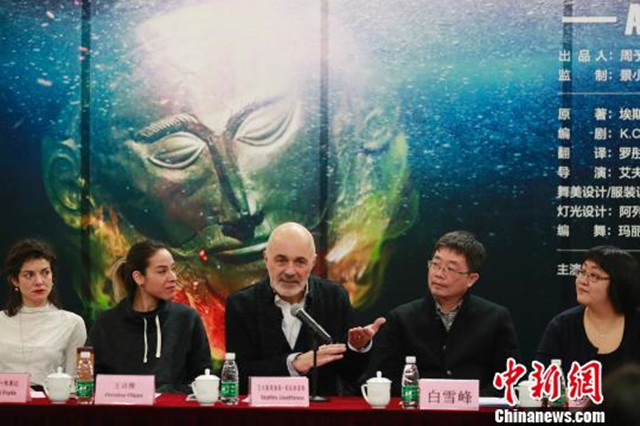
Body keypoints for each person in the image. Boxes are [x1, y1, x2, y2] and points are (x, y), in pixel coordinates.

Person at [40, 0, 414, 362]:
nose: (241, 208)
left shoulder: (338, 299)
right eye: (178, 154)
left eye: (264, 131)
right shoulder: (126, 325)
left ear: (354, 122)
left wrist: (355, 347)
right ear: (73, 186)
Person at [225, 222, 386, 395]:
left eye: (300, 262)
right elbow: (239, 375)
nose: (290, 271)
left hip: (323, 409)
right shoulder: (241, 304)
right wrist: (294, 364)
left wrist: (356, 347)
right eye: (281, 260)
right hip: (264, 409)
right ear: (266, 259)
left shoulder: (334, 296)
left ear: (313, 263)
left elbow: (350, 373)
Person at [366, 230, 519, 396]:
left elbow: (509, 378)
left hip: (476, 408)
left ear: (471, 279)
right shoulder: (401, 318)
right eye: (435, 264)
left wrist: (471, 400)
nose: (438, 274)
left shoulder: (495, 318)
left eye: (451, 269)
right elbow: (386, 378)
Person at [88, 240, 212, 393]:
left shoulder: (187, 319)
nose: (173, 277)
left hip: (174, 407)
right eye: (162, 271)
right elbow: (91, 380)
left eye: (173, 269)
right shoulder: (106, 323)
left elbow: (202, 378)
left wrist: (168, 394)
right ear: (139, 277)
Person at [537, 246, 640, 375]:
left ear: (619, 282)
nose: (582, 281)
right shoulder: (562, 325)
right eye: (582, 272)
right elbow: (544, 378)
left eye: (594, 275)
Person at [0, 239, 86, 387]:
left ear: (53, 277)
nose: (39, 281)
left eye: (45, 273)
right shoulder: (2, 321)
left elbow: (74, 383)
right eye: (29, 275)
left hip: (52, 400)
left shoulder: (72, 323)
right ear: (15, 280)